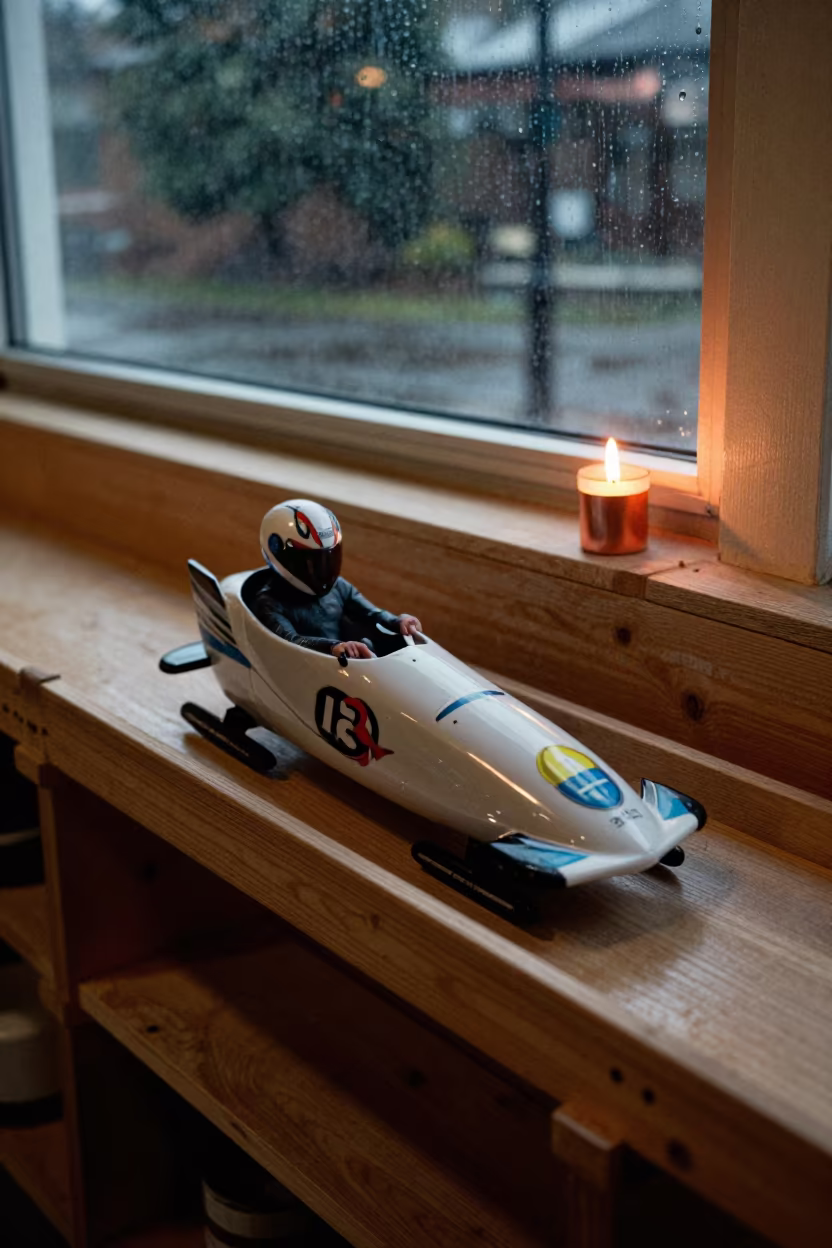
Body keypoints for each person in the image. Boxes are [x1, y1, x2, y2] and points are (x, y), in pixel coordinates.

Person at [252, 499, 421, 659]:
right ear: (278, 552)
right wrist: (333, 647)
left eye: (327, 559)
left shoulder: (338, 587)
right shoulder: (269, 603)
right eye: (311, 562)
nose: (322, 570)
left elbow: (371, 613)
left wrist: (398, 621)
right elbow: (290, 640)